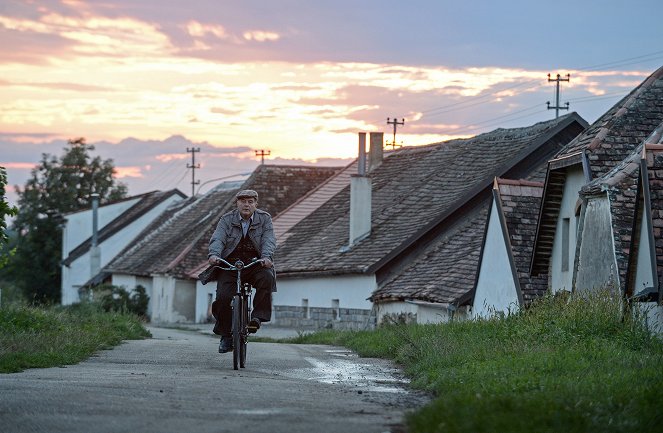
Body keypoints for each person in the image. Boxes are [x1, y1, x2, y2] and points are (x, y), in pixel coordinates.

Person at [208, 189, 276, 353]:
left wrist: (266, 257)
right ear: (237, 203)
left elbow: (269, 239)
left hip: (255, 263)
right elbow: (218, 238)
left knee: (267, 277)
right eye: (243, 201)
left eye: (250, 201)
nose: (246, 204)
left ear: (256, 204)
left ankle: (257, 317)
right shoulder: (226, 219)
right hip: (230, 263)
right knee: (223, 297)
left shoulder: (265, 218)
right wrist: (214, 254)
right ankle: (226, 336)